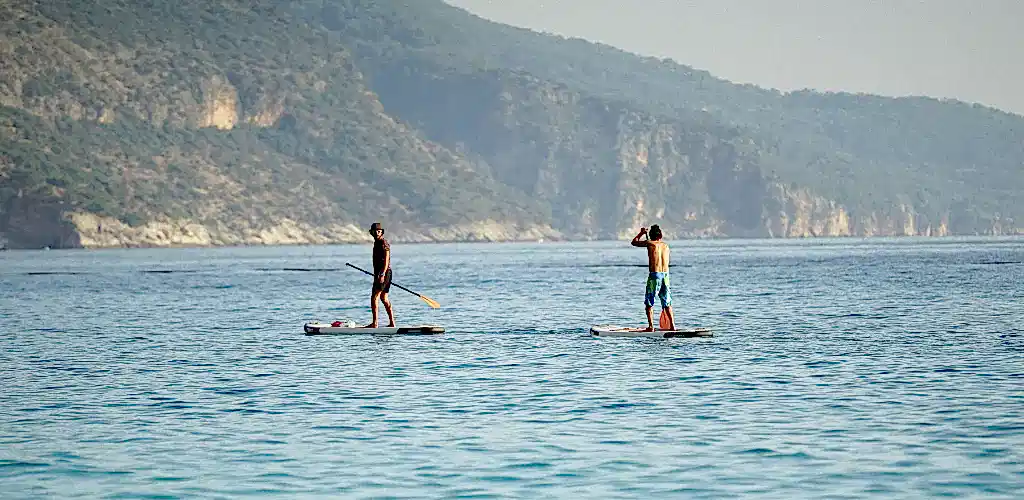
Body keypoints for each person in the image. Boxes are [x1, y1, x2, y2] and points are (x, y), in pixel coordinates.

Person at [631, 224, 675, 331]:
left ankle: (651, 327)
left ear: (651, 236)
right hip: (666, 276)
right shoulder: (666, 246)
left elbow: (634, 242)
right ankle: (673, 326)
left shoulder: (649, 243)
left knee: (649, 302)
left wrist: (641, 233)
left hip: (655, 276)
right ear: (660, 236)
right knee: (667, 302)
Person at [365, 222, 395, 328]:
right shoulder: (376, 243)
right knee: (384, 298)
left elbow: (386, 260)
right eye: (375, 231)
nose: (377, 233)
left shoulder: (383, 243)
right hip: (382, 274)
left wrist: (382, 274)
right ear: (372, 233)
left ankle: (375, 323)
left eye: (379, 231)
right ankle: (392, 323)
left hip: (384, 273)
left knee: (374, 297)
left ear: (381, 232)